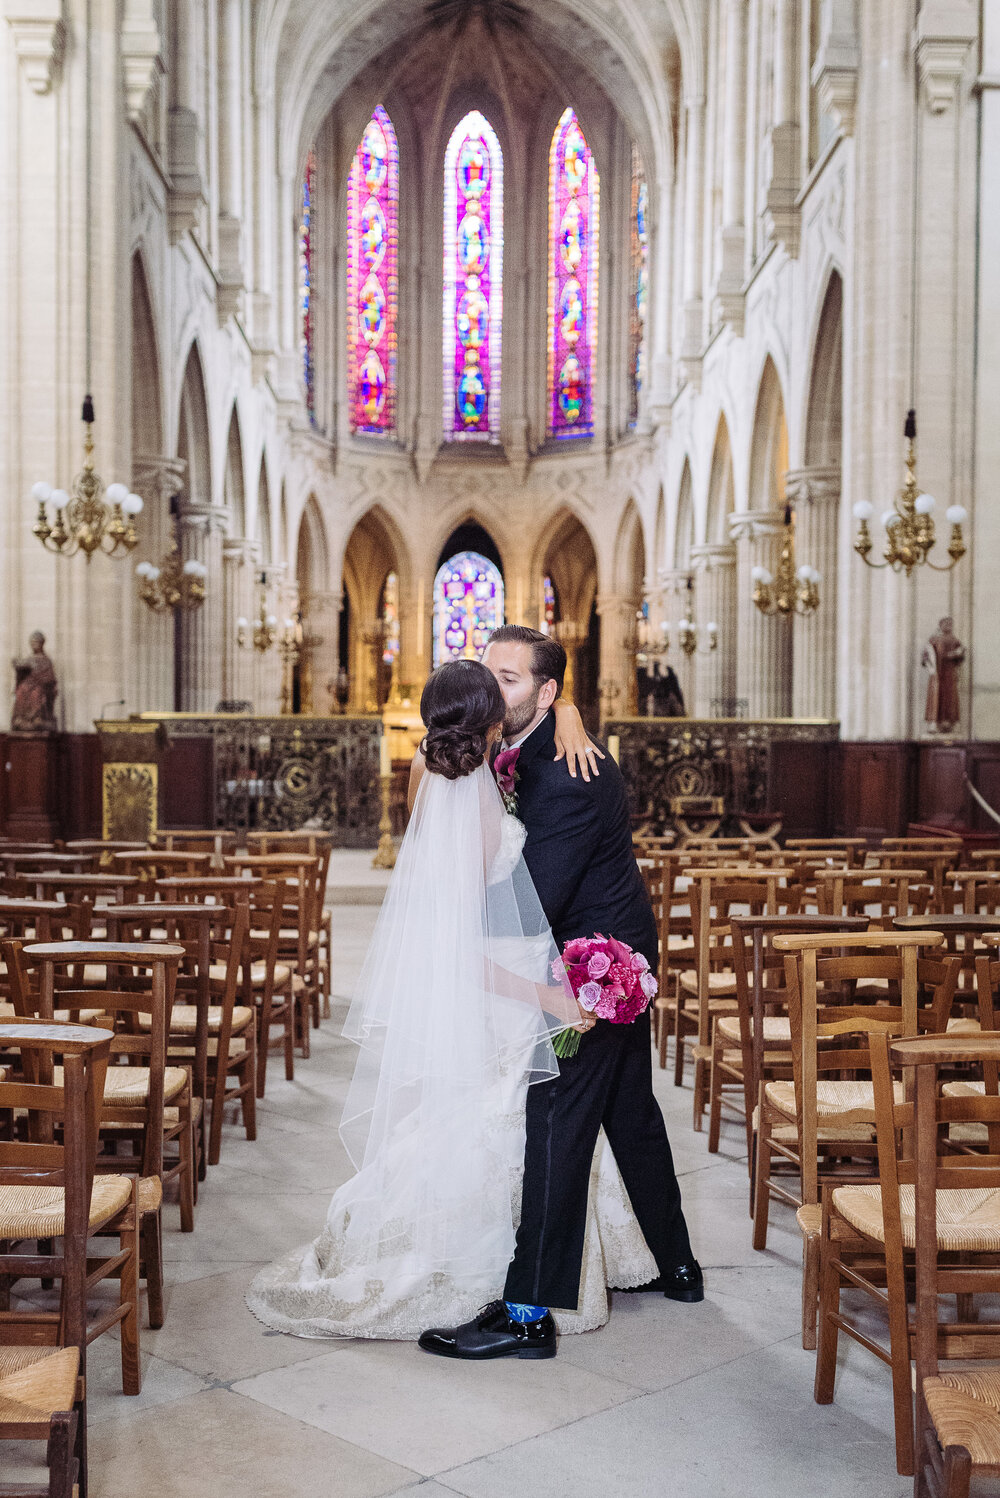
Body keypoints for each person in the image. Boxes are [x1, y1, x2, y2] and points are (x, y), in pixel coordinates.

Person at [246, 658, 657, 1341]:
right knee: (503, 1124)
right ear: (493, 721)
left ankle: (533, 1275)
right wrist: (549, 1000)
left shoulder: (431, 775)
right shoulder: (481, 805)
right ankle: (509, 1284)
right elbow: (464, 946)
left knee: (500, 1122)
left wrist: (573, 714)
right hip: (497, 984)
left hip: (508, 966)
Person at [418, 626, 700, 1362]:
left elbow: (528, 907)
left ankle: (525, 1311)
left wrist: (461, 932)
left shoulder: (567, 775)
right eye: (488, 673)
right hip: (597, 950)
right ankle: (678, 1266)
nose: (491, 688)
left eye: (508, 678)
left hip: (589, 971)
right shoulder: (525, 745)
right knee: (630, 1112)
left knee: (556, 1123)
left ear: (544, 693)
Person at [11, 631, 57, 733]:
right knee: (21, 690)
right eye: (32, 643)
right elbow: (21, 672)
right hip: (28, 685)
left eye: (36, 643)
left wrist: (40, 680)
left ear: (41, 644)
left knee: (36, 693)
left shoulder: (46, 660)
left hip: (41, 686)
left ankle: (36, 718)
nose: (34, 645)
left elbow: (50, 679)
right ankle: (21, 719)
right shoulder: (29, 659)